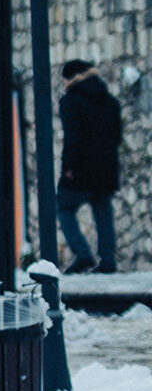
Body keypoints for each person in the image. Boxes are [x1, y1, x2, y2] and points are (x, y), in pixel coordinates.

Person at [59, 59, 123, 273]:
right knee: (102, 211)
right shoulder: (110, 101)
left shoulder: (71, 100)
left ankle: (83, 254)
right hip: (106, 166)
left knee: (63, 207)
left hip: (80, 167)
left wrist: (68, 165)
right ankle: (108, 260)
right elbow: (117, 136)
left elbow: (72, 137)